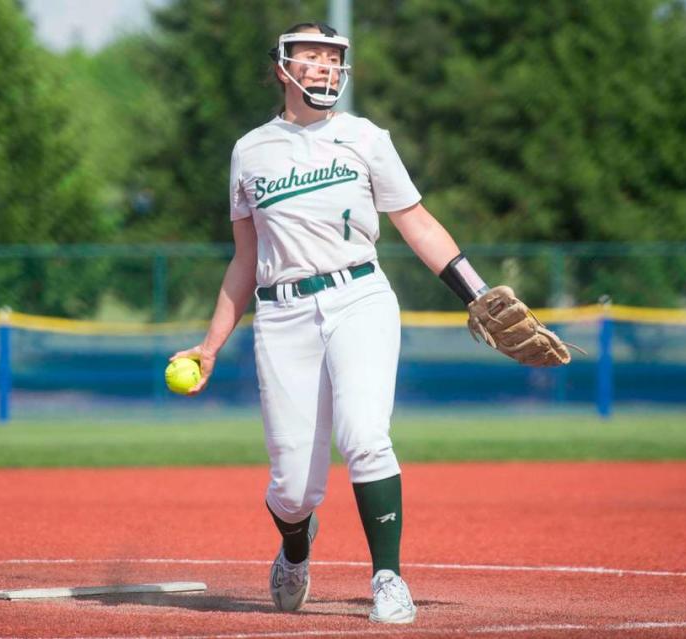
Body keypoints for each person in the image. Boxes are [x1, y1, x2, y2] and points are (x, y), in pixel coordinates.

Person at [170, 22, 498, 624]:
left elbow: (417, 221)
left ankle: (388, 578)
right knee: (294, 489)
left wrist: (473, 291)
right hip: (282, 312)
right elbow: (246, 258)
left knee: (365, 435)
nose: (324, 67)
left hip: (359, 297)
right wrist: (213, 344)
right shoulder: (251, 150)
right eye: (311, 57)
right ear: (283, 69)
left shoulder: (365, 138)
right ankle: (297, 544)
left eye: (332, 57)